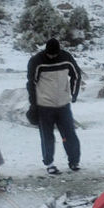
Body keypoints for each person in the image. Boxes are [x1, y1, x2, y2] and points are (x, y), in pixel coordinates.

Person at [27, 38, 82, 175]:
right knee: (47, 137)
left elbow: (76, 75)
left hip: (63, 104)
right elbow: (31, 84)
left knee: (70, 134)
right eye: (50, 54)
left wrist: (73, 94)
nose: (52, 57)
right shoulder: (36, 61)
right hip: (44, 105)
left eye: (55, 54)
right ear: (46, 51)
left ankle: (74, 161)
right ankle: (49, 163)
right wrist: (34, 105)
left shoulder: (66, 57)